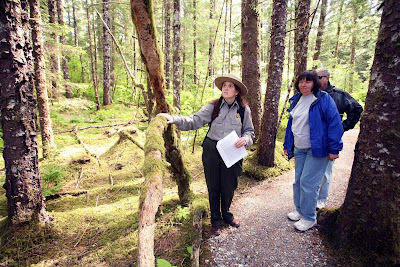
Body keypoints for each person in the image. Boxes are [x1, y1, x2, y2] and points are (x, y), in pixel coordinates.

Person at [157, 73, 255, 236]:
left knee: (229, 186)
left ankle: (227, 215)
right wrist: (174, 119)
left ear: (237, 91)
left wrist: (245, 139)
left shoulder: (243, 110)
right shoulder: (213, 106)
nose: (226, 88)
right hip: (212, 149)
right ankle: (215, 221)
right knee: (213, 185)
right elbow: (194, 120)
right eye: (224, 85)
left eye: (230, 86)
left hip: (233, 151)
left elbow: (249, 132)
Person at [283, 70, 344, 231]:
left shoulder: (323, 99)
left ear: (314, 83)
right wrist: (287, 145)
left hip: (317, 149)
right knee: (298, 182)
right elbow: (292, 125)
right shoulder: (296, 99)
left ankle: (310, 218)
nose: (303, 84)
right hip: (300, 148)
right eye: (301, 81)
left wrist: (335, 148)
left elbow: (335, 124)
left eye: (308, 81)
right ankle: (300, 210)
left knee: (308, 183)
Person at [315, 68, 363, 209]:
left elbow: (357, 109)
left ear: (327, 78)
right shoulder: (311, 94)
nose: (316, 80)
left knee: (325, 171)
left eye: (319, 77)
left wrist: (343, 127)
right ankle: (309, 199)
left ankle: (321, 199)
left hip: (330, 140)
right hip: (312, 140)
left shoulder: (339, 95)